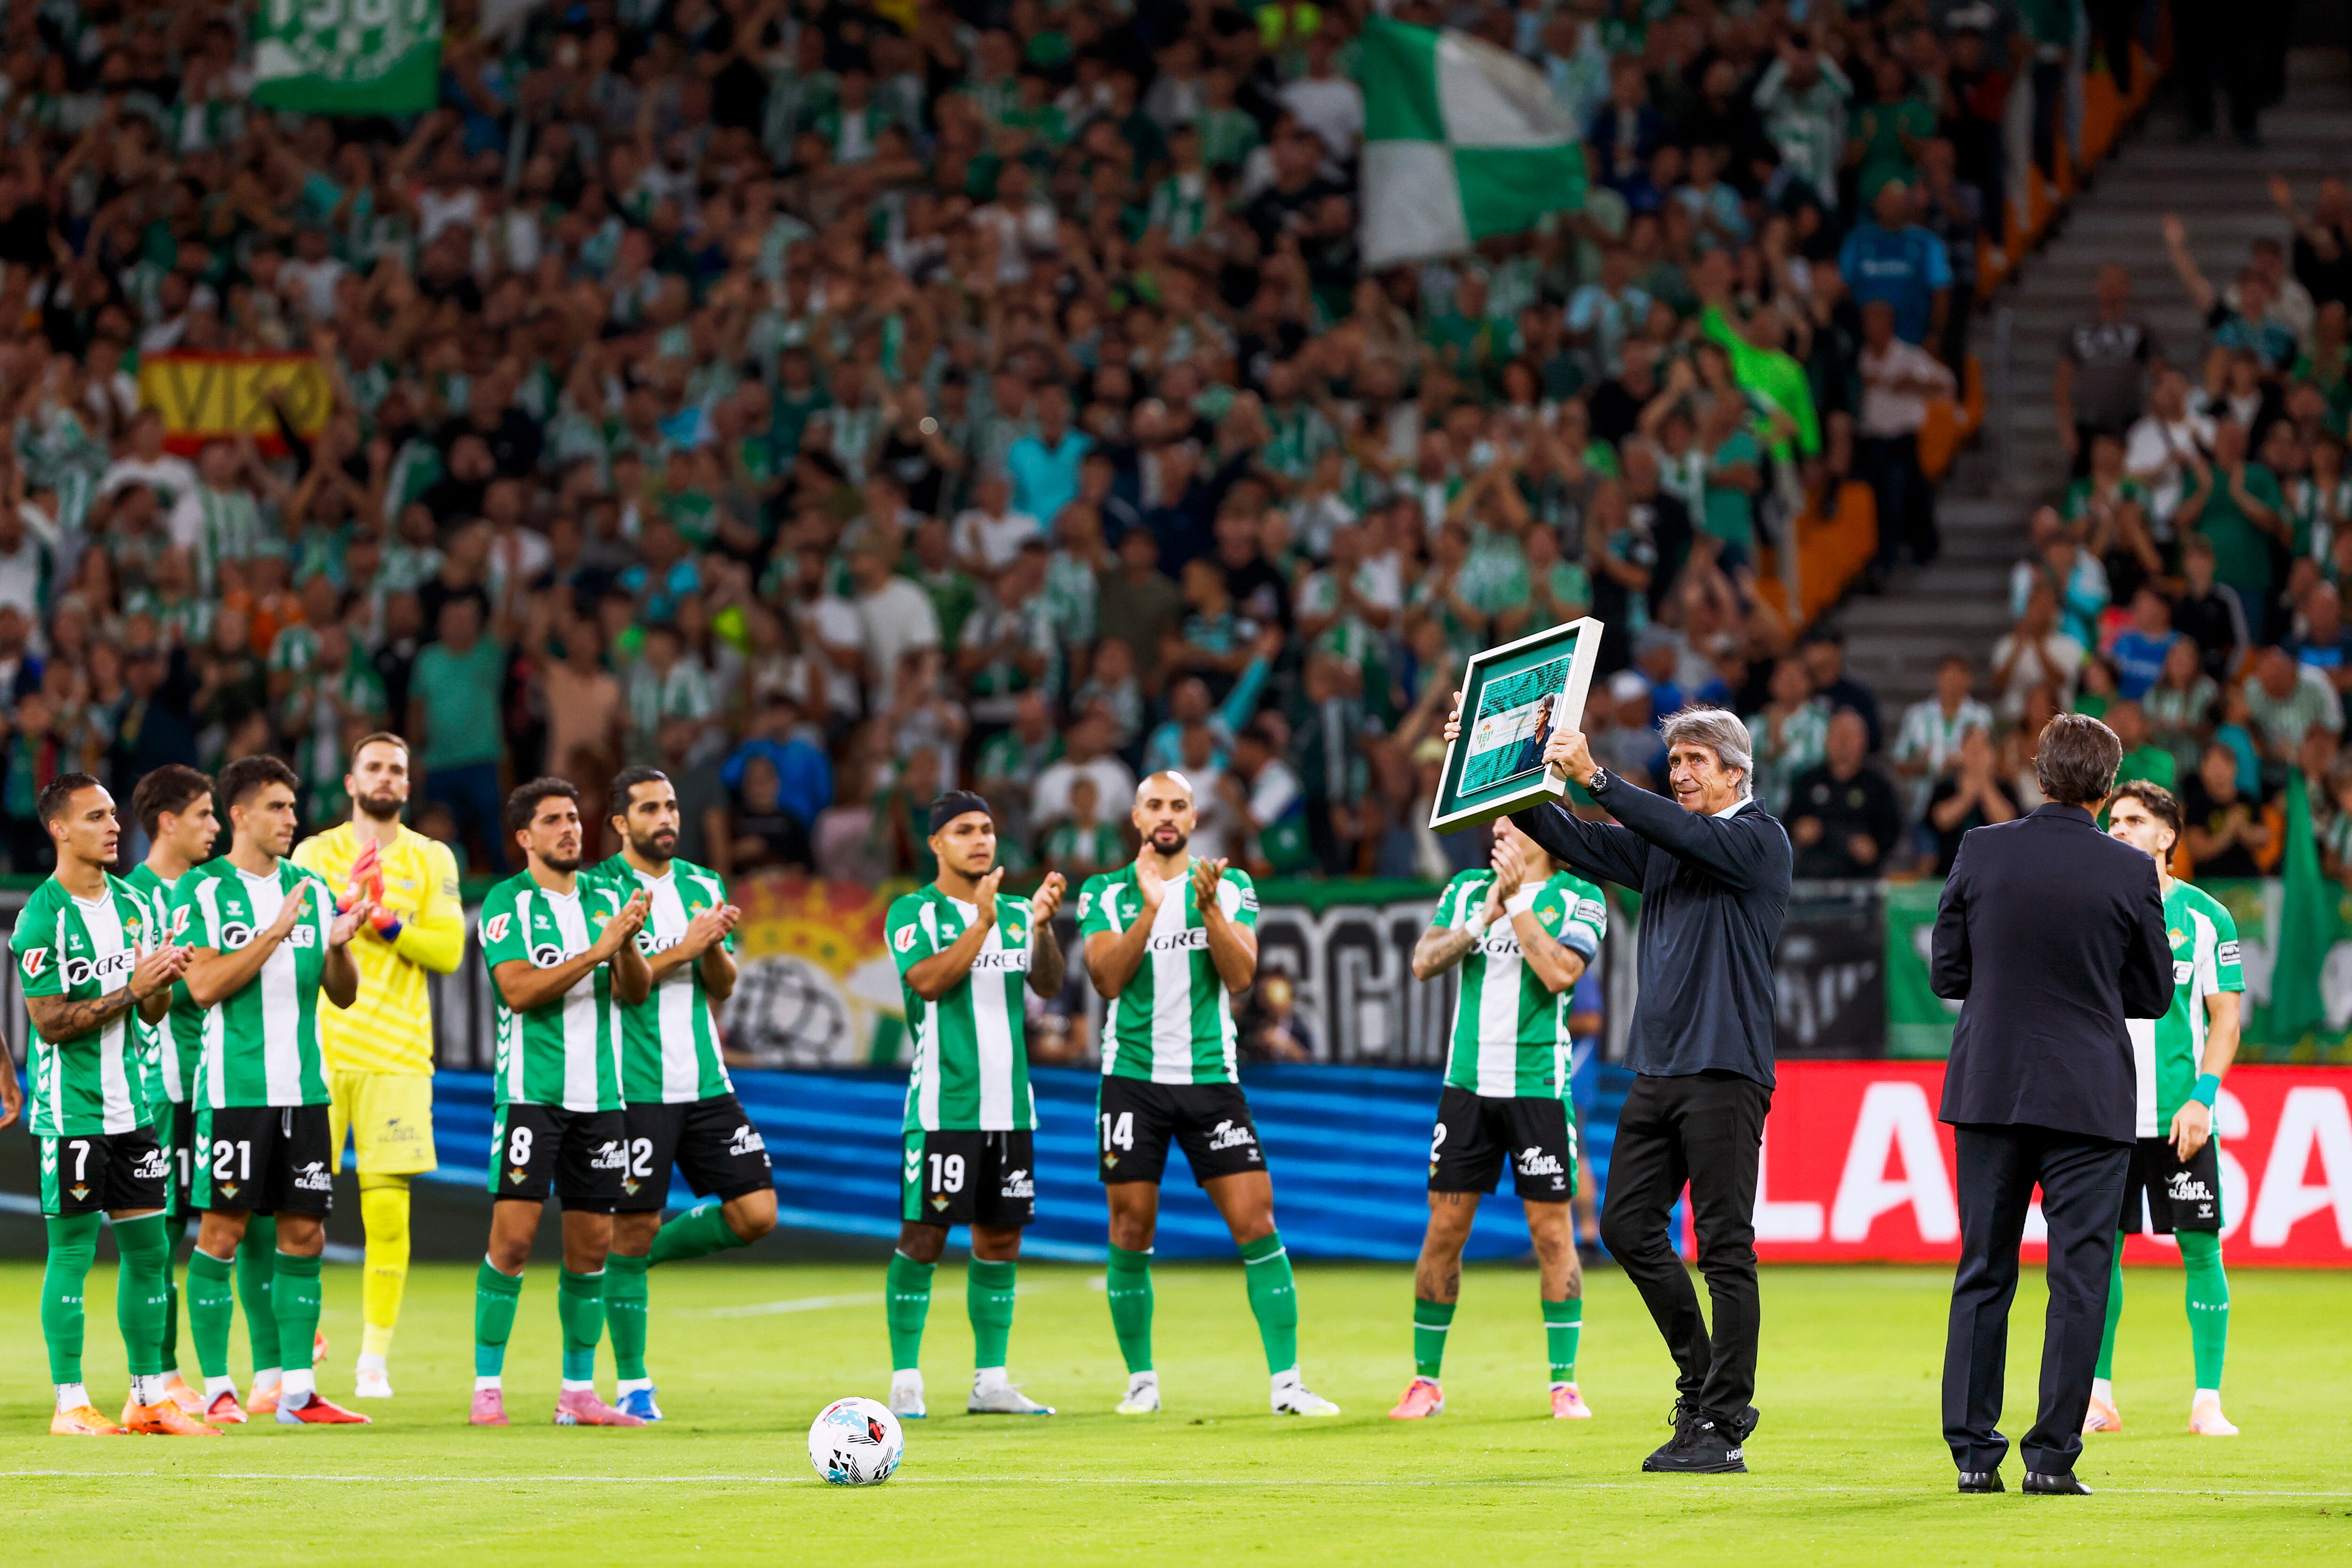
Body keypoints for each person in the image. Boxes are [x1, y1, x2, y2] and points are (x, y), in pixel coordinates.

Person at [1446, 698, 1792, 1473]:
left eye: (1696, 760)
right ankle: (1702, 1383)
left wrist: (1597, 777)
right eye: (1675, 761)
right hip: (1659, 1066)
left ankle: (1723, 1422)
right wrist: (1486, 761)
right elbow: (1561, 831)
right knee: (1629, 1225)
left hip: (1726, 1067)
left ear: (1736, 772)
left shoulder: (1760, 838)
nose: (1681, 772)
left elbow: (1683, 834)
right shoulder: (1667, 842)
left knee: (1725, 1247)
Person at [1932, 714, 2175, 1495]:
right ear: (2109, 786)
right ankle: (2051, 1459)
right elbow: (2154, 992)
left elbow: (1946, 971)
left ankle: (1974, 1454)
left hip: (1991, 1086)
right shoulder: (2131, 870)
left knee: (1983, 1270)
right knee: (2080, 1278)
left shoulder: (1981, 848)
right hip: (2089, 1093)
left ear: (2039, 774)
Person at [1078, 771, 1339, 1418]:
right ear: (1136, 817)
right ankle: (1141, 1381)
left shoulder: (1228, 884)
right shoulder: (1105, 892)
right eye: (1155, 805)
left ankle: (1287, 1384)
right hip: (1132, 1079)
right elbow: (1106, 978)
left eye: (1179, 805)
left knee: (1257, 1223)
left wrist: (1211, 910)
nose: (1167, 815)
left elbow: (1242, 974)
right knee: (1130, 1228)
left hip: (1211, 1080)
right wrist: (1149, 908)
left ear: (1195, 818)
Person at [175, 755, 374, 1427]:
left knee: (306, 1233)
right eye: (278, 807)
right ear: (239, 814)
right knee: (223, 1232)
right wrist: (274, 934)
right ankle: (217, 1388)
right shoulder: (202, 890)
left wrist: (339, 944)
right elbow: (203, 986)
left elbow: (343, 995)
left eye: (293, 806)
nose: (292, 818)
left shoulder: (311, 888)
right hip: (234, 1090)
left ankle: (296, 1392)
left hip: (304, 1090)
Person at [1392, 818, 1605, 1423]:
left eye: (1515, 817)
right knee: (1444, 1231)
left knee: (1552, 1234)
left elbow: (1560, 973)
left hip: (1537, 1090)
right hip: (1466, 1089)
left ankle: (1563, 1384)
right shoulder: (1465, 888)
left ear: (1547, 827)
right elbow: (1423, 961)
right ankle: (1425, 1382)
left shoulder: (1580, 897)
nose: (1499, 826)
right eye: (1498, 817)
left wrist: (1513, 902)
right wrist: (1479, 917)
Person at [15, 774, 203, 1436]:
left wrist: (162, 979)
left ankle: (147, 1396)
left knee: (150, 1252)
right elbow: (50, 1024)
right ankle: (70, 1403)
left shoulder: (135, 905)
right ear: (59, 829)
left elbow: (153, 1012)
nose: (115, 826)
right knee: (72, 1252)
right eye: (96, 817)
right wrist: (132, 986)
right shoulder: (42, 916)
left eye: (114, 815)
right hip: (71, 1112)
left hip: (134, 1107)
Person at [591, 767, 773, 1423]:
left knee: (756, 1214)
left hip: (705, 1082)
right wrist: (686, 945)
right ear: (621, 822)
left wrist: (713, 947)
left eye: (670, 805)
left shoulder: (702, 883)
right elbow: (616, 986)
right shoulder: (599, 890)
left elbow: (721, 985)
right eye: (649, 808)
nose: (666, 817)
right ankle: (633, 1383)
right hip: (633, 1086)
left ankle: (630, 1261)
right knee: (632, 1224)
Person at [470, 778, 652, 1428]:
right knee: (514, 1241)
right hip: (532, 1095)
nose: (570, 828)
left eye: (574, 817)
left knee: (593, 1247)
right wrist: (596, 951)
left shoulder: (607, 898)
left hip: (601, 1099)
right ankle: (487, 1386)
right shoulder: (507, 902)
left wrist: (625, 945)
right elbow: (518, 991)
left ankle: (577, 1391)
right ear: (525, 837)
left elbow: (636, 991)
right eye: (553, 820)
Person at [290, 733, 466, 1401]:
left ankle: (373, 1359)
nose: (386, 776)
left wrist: (386, 919)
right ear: (351, 781)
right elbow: (295, 940)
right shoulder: (314, 853)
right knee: (297, 1208)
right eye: (374, 766)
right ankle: (299, 1340)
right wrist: (346, 906)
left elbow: (448, 951)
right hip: (318, 1054)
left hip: (396, 1057)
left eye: (397, 768)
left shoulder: (431, 856)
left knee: (388, 1215)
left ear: (408, 784)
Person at [883, 792, 1070, 1420]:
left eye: (987, 829)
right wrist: (981, 924)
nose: (981, 839)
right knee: (924, 1235)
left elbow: (1048, 983)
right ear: (936, 843)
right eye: (964, 830)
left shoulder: (1017, 912)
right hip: (944, 1106)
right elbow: (928, 981)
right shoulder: (913, 911)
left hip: (1010, 1107)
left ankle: (990, 1380)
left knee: (1001, 1238)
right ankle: (905, 1379)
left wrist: (1040, 928)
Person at [2093, 782, 2243, 1440]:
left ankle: (2207, 1400)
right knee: (2099, 1255)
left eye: (2134, 820)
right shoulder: (2091, 909)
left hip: (2180, 1116)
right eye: (2112, 821)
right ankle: (2098, 1398)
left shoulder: (2206, 918)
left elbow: (2226, 1018)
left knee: (2201, 1249)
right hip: (2105, 1115)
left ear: (2167, 835)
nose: (2119, 829)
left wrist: (2202, 1098)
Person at [123, 764, 228, 1420]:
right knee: (162, 1223)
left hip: (219, 1076)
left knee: (231, 1214)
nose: (215, 826)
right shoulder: (128, 896)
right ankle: (161, 1371)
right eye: (204, 814)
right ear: (168, 821)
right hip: (158, 1080)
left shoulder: (215, 890)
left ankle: (275, 1367)